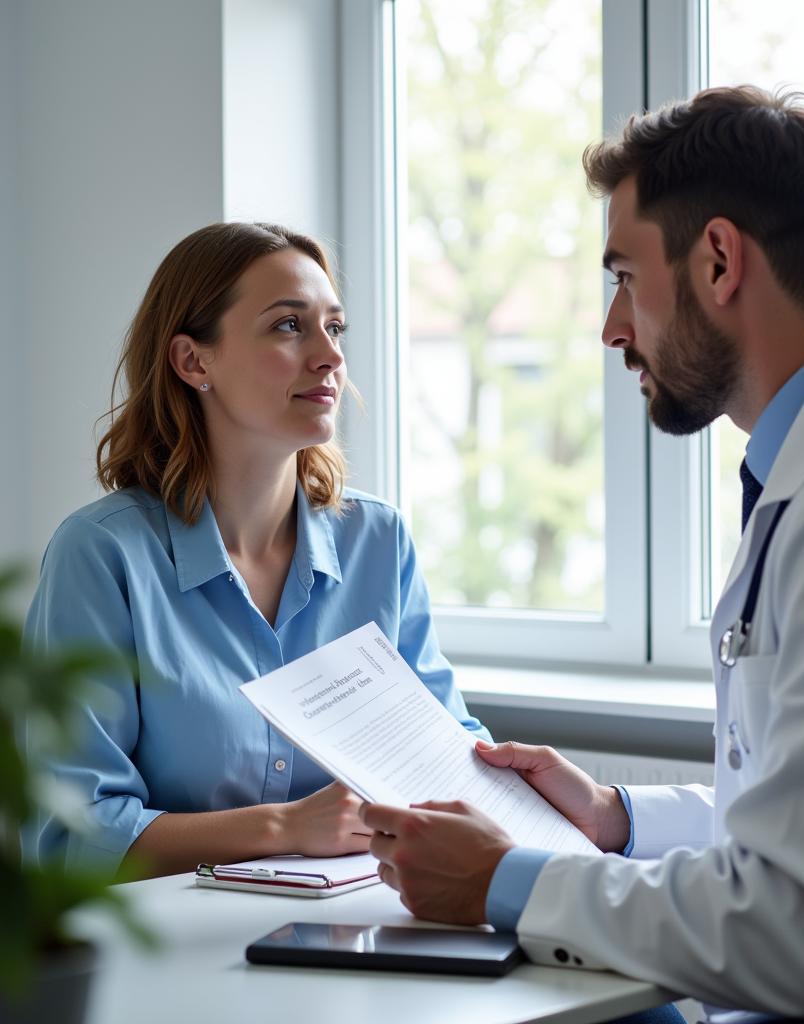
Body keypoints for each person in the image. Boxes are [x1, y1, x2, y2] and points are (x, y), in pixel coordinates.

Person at [359, 86, 804, 1023]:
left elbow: (796, 929)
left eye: (624, 277)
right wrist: (614, 817)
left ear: (717, 260)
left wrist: (504, 881)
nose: (611, 329)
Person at [23, 222, 489, 879]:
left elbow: (441, 753)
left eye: (335, 327)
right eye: (288, 326)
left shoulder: (378, 542)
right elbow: (72, 839)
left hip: (360, 925)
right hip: (167, 955)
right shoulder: (102, 556)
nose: (328, 356)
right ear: (193, 362)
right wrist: (285, 828)